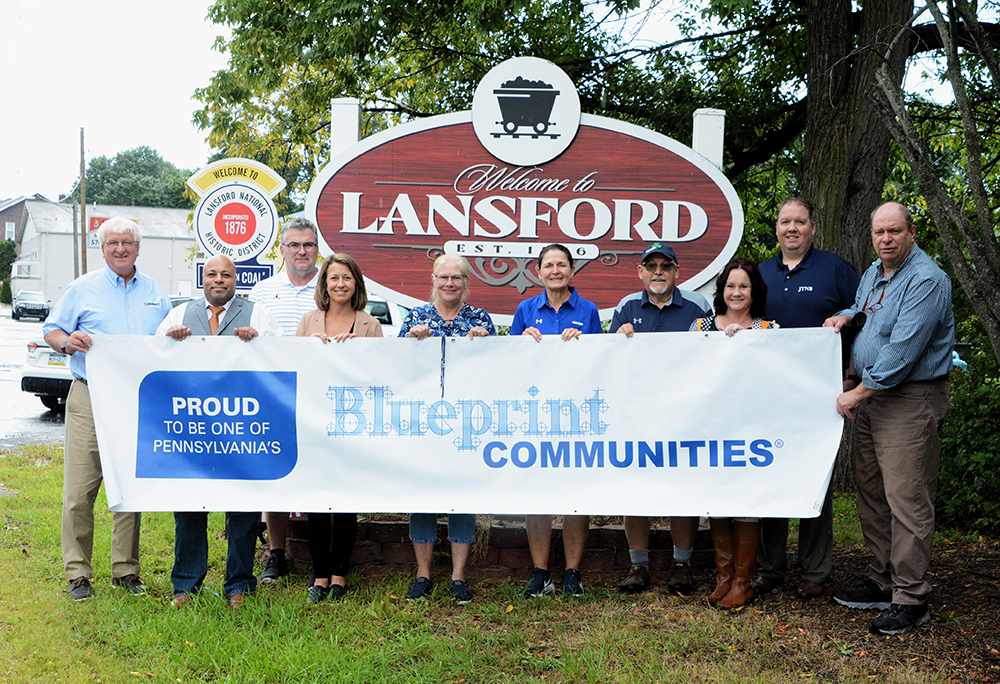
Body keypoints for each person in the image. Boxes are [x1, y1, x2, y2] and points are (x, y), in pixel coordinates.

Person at [824, 202, 953, 636]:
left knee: (907, 499)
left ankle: (911, 597)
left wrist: (856, 393)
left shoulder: (927, 280)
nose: (886, 239)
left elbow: (901, 352)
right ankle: (882, 581)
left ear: (912, 233)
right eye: (879, 231)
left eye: (894, 231)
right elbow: (865, 321)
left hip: (908, 398)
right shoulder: (872, 273)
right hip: (873, 397)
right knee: (873, 494)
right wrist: (847, 317)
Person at [42, 217, 173, 600]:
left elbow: (167, 340)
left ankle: (126, 570)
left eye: (127, 242)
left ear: (137, 248)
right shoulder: (83, 289)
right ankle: (78, 572)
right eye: (113, 242)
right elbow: (51, 330)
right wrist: (68, 341)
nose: (120, 248)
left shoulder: (155, 293)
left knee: (128, 485)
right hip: (89, 394)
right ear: (102, 248)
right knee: (80, 490)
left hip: (137, 400)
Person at [157, 255, 284, 609]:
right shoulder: (179, 315)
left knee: (242, 508)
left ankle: (239, 585)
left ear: (235, 279)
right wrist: (171, 341)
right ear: (203, 278)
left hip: (241, 429)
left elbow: (282, 358)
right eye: (212, 274)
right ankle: (186, 585)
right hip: (193, 430)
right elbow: (153, 358)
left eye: (226, 274)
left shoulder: (258, 314)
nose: (218, 280)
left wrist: (259, 343)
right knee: (189, 507)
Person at [755, 198, 860, 600]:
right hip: (770, 394)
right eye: (785, 222)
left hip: (821, 393)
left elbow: (861, 318)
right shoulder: (761, 273)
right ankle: (769, 568)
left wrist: (852, 375)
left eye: (800, 222)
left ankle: (815, 570)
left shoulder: (835, 270)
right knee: (771, 472)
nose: (792, 228)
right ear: (777, 228)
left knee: (814, 476)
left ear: (813, 228)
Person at [611, 242, 709, 596]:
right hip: (636, 413)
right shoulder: (626, 308)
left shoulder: (698, 306)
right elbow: (609, 362)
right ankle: (639, 566)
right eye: (650, 265)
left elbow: (713, 356)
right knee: (635, 487)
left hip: (685, 412)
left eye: (665, 266)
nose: (658, 272)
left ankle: (682, 564)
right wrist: (618, 340)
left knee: (683, 485)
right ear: (640, 272)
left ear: (676, 272)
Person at [398, 253, 495, 605]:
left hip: (467, 419)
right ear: (434, 280)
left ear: (466, 282)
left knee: (460, 495)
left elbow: (496, 366)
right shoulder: (416, 316)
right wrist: (411, 340)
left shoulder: (480, 318)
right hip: (423, 419)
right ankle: (422, 575)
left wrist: (485, 340)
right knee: (421, 493)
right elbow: (395, 364)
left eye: (457, 278)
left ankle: (458, 576)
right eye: (443, 277)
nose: (450, 283)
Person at [510, 244, 601, 597]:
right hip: (536, 414)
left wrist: (583, 342)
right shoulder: (525, 309)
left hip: (578, 413)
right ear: (538, 271)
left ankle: (572, 573)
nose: (555, 270)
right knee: (538, 491)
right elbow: (513, 361)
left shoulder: (589, 310)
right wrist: (522, 341)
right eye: (549, 265)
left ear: (572, 270)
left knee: (575, 490)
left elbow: (599, 361)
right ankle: (540, 572)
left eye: (561, 264)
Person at [690, 258, 778, 610]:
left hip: (752, 429)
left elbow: (775, 376)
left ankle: (744, 581)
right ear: (721, 290)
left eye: (743, 286)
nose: (736, 292)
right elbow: (690, 371)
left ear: (754, 291)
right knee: (717, 501)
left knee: (746, 501)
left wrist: (745, 344)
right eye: (730, 286)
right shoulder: (701, 327)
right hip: (712, 427)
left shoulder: (769, 329)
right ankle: (723, 578)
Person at [296, 253, 383, 604]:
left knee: (346, 500)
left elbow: (380, 373)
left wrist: (357, 352)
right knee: (317, 499)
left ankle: (339, 576)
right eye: (334, 278)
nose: (340, 284)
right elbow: (293, 366)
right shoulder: (308, 320)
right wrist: (310, 347)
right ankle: (318, 575)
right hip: (315, 420)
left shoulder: (368, 324)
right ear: (325, 283)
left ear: (356, 283)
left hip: (353, 424)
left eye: (347, 277)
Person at [248, 217, 322, 584]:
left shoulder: (332, 283)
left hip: (321, 393)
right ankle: (276, 554)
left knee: (317, 470)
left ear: (317, 248)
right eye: (294, 245)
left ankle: (318, 557)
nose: (302, 251)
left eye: (308, 244)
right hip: (275, 393)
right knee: (274, 471)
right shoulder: (263, 291)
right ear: (282, 250)